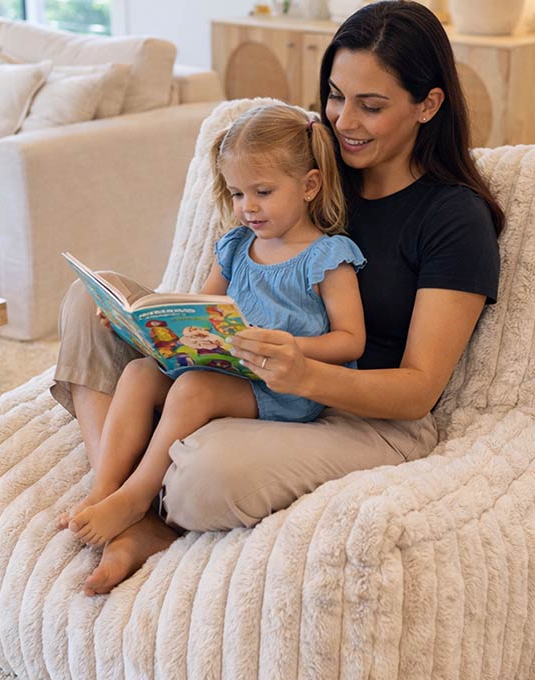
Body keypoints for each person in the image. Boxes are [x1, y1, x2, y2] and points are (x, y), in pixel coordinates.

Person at [50, 0, 503, 596]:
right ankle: (119, 493)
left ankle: (150, 513)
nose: (345, 122)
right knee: (88, 305)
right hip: (248, 369)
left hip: (362, 412)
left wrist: (305, 374)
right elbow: (236, 257)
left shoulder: (453, 219)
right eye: (336, 97)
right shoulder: (316, 164)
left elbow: (418, 389)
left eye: (371, 106)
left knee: (204, 476)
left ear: (428, 104)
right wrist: (153, 324)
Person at [60, 103, 367, 548]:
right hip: (224, 368)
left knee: (192, 390)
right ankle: (103, 490)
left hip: (280, 388)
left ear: (309, 186)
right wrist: (140, 318)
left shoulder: (328, 256)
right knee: (138, 373)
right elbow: (199, 307)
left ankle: (134, 497)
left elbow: (351, 340)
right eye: (238, 194)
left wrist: (290, 347)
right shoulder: (238, 245)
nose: (248, 208)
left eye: (262, 191)